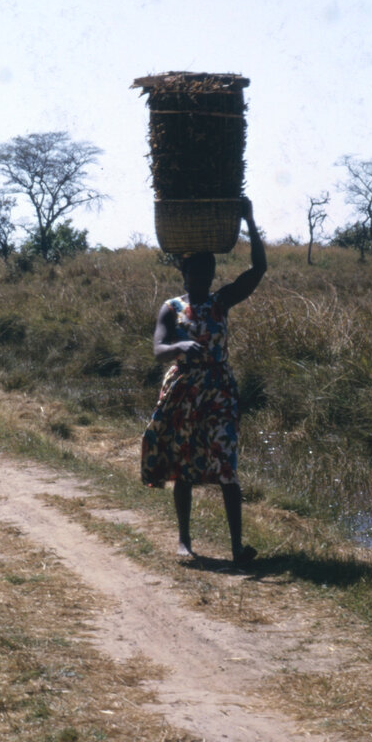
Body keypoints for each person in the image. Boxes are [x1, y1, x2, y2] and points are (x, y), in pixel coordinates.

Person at [141, 197, 267, 570]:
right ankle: (184, 539)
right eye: (196, 273)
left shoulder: (221, 301)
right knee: (183, 466)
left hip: (220, 391)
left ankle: (237, 547)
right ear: (184, 275)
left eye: (208, 273)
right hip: (184, 392)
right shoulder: (172, 308)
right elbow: (158, 349)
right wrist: (179, 345)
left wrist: (250, 220)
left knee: (226, 466)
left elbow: (258, 269)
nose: (203, 279)